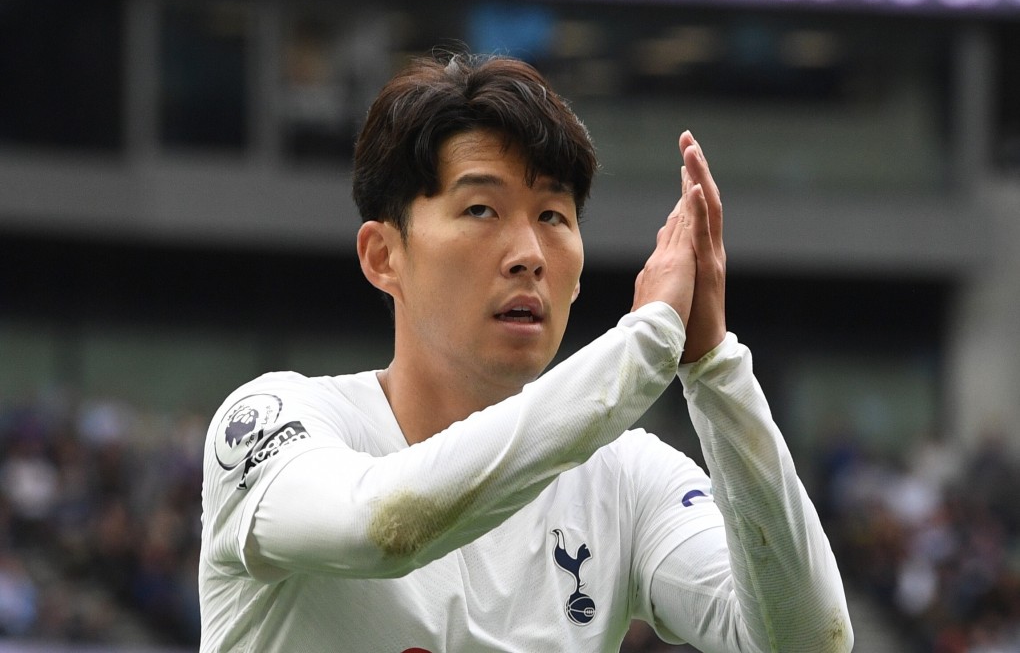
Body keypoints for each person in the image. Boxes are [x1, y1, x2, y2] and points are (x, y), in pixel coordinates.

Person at [198, 51, 853, 652]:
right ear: (383, 256)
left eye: (553, 217)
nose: (529, 256)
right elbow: (380, 527)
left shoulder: (626, 479)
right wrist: (645, 343)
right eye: (481, 209)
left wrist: (711, 366)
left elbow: (803, 642)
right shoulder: (269, 422)